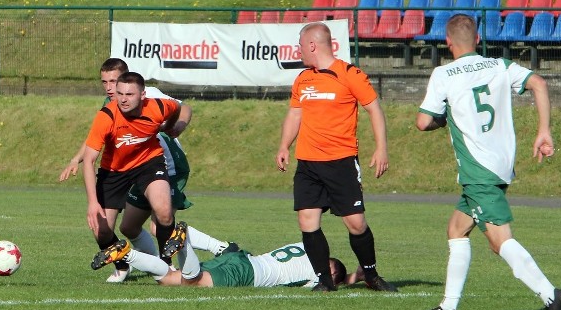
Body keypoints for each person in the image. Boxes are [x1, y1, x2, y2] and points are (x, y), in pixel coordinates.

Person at [415, 13, 561, 310]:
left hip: (477, 169)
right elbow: (538, 83)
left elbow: (422, 121)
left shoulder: (444, 73)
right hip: (499, 165)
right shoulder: (499, 65)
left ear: (447, 42)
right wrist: (544, 131)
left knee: (499, 240)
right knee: (457, 229)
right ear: (476, 40)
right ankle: (447, 309)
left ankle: (549, 294)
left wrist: (442, 119)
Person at [62, 58, 237, 282]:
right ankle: (135, 264)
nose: (109, 87)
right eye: (104, 82)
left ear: (131, 84)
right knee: (129, 226)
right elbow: (96, 139)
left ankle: (198, 254)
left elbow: (182, 108)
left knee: (161, 220)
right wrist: (77, 159)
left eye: (113, 81)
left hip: (164, 163)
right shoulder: (112, 105)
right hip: (121, 170)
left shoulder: (150, 97)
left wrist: (176, 127)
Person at [276, 22, 397, 293]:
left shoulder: (349, 74)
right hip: (308, 163)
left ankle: (371, 275)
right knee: (307, 221)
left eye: (299, 45)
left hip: (341, 162)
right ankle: (325, 281)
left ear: (312, 45)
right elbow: (295, 113)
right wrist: (284, 145)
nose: (298, 50)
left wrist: (381, 148)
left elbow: (374, 110)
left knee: (355, 223)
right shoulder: (303, 78)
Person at [81, 71, 185, 265]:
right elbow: (88, 161)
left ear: (143, 95)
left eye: (129, 95)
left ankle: (165, 264)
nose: (123, 99)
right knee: (102, 232)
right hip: (113, 171)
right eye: (120, 94)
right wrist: (92, 203)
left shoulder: (158, 107)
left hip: (148, 163)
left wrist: (169, 127)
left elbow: (177, 108)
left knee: (164, 211)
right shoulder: (107, 116)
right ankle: (125, 264)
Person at [91, 233, 362, 289]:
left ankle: (126, 253)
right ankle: (183, 240)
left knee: (170, 280)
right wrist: (354, 278)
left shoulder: (305, 247)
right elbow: (333, 281)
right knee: (192, 283)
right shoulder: (317, 274)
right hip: (247, 275)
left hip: (242, 260)